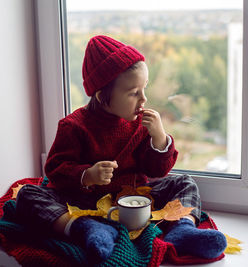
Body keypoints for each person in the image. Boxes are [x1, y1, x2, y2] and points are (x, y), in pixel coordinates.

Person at [16, 35, 226, 262]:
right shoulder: (74, 126)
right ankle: (83, 228)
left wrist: (159, 138)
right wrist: (87, 175)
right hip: (86, 203)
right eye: (133, 93)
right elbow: (55, 169)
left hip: (136, 197)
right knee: (27, 195)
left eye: (144, 89)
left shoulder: (140, 123)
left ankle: (182, 229)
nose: (143, 98)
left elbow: (157, 170)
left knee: (184, 182)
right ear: (102, 96)